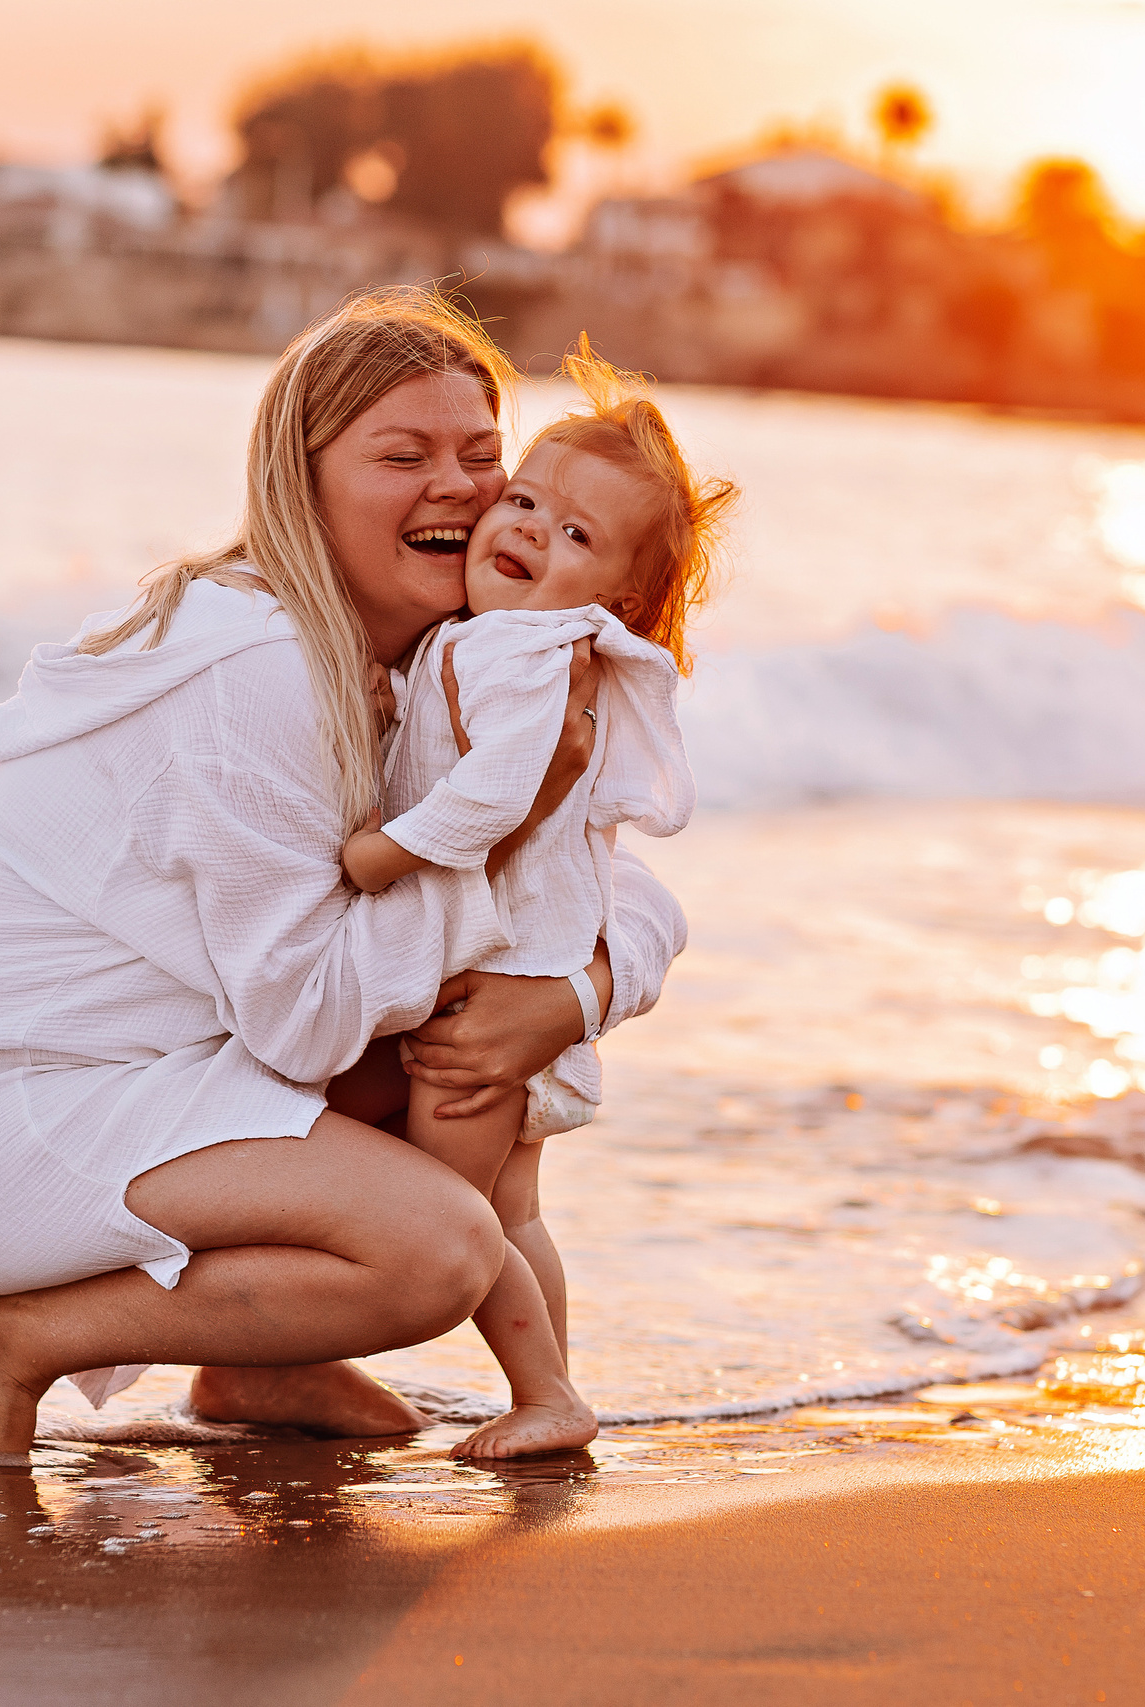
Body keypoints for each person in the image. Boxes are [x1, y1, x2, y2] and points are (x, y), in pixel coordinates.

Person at [0, 287, 690, 1463]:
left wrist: (573, 995)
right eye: (403, 455)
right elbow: (302, 1021)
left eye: (482, 455)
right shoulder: (255, 668)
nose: (459, 487)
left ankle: (254, 1361)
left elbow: (612, 879)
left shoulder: (441, 662)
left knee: (447, 1043)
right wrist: (495, 841)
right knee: (439, 1246)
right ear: (303, 482)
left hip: (133, 1076)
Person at [341, 342, 735, 1458]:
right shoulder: (498, 641)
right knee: (510, 1212)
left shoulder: (525, 655)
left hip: (492, 1000)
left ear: (619, 597)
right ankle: (548, 1391)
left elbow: (489, 797)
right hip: (519, 974)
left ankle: (548, 1395)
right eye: (523, 500)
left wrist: (382, 855)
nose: (523, 531)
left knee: (453, 1221)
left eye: (574, 536)